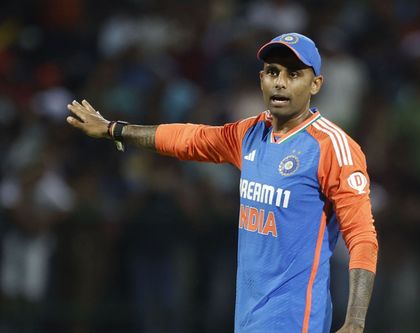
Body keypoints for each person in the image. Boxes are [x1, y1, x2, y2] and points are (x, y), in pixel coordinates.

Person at [66, 32, 378, 333]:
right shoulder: (250, 134)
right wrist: (114, 129)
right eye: (272, 72)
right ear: (261, 79)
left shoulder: (333, 148)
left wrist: (355, 321)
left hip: (295, 320)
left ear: (316, 84)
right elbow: (191, 138)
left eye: (294, 74)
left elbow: (362, 236)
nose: (280, 82)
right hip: (248, 318)